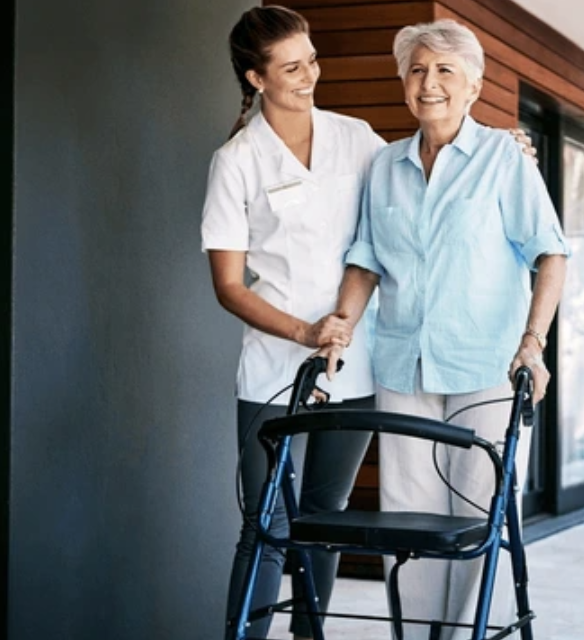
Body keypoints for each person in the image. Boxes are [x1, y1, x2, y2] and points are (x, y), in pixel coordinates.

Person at [200, 8, 538, 639]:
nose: (309, 75)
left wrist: (504, 147)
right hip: (276, 368)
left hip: (354, 363)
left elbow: (426, 177)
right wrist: (304, 332)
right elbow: (227, 286)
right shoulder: (237, 161)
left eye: (312, 60)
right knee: (266, 519)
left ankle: (310, 634)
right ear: (256, 77)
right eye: (292, 67)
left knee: (327, 513)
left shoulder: (356, 138)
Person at [322, 18, 569, 640]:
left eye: (444, 71)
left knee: (479, 510)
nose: (428, 83)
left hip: (487, 364)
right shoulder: (385, 165)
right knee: (407, 518)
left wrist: (533, 344)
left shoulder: (503, 160)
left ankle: (467, 635)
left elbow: (551, 253)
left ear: (473, 85)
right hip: (405, 365)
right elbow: (366, 257)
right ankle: (419, 632)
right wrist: (342, 328)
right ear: (404, 82)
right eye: (417, 70)